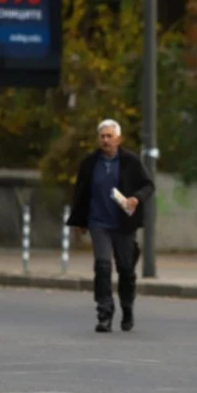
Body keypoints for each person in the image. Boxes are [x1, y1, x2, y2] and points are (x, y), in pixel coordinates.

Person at [66, 119, 155, 333]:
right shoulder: (90, 163)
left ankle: (127, 308)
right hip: (99, 224)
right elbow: (80, 192)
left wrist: (135, 198)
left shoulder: (130, 161)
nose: (105, 140)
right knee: (103, 266)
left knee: (126, 269)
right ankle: (104, 312)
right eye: (102, 136)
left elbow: (148, 185)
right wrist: (79, 221)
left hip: (124, 225)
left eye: (109, 136)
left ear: (118, 139)